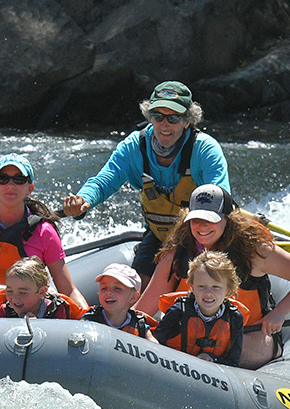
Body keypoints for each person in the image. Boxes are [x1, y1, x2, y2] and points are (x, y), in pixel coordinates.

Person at [135, 184, 290, 369]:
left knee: (219, 345)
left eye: (211, 219)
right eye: (196, 219)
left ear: (227, 219)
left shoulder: (254, 250)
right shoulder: (177, 253)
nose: (202, 226)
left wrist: (278, 313)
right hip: (191, 334)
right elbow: (143, 310)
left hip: (249, 334)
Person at [61, 80, 230, 284]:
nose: (164, 124)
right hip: (159, 236)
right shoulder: (134, 146)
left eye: (173, 118)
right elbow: (103, 181)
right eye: (158, 116)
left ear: (187, 121)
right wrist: (83, 200)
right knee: (139, 284)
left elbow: (220, 201)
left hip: (203, 237)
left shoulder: (205, 149)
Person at [0, 153, 87, 309]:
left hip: (20, 316)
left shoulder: (44, 232)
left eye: (19, 180)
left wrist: (87, 319)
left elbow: (68, 289)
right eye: (3, 179)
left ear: (30, 188)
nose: (10, 185)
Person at [153, 251, 245, 366]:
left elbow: (233, 361)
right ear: (192, 287)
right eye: (201, 286)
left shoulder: (234, 319)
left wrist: (212, 358)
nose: (208, 293)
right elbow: (155, 345)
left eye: (216, 287)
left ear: (228, 290)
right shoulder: (178, 311)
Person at [0, 256, 85, 319]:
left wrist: (38, 326)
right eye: (9, 291)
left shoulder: (56, 309)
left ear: (41, 292)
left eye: (23, 292)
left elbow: (58, 342)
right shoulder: (5, 311)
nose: (14, 298)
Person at [80, 263, 156, 341]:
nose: (108, 292)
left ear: (133, 297)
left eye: (117, 288)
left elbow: (155, 347)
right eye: (104, 288)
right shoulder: (90, 319)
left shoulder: (140, 325)